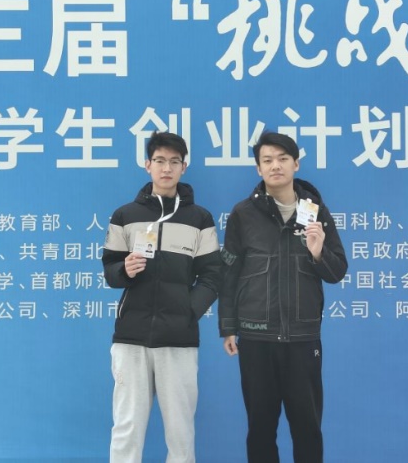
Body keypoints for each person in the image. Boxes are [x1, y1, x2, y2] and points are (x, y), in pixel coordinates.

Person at [218, 131, 348, 463]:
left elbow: (337, 272)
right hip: (256, 337)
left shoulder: (316, 212)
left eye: (282, 159)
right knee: (260, 429)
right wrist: (228, 326)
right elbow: (229, 273)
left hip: (303, 339)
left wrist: (318, 253)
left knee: (308, 428)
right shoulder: (243, 214)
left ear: (296, 164)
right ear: (258, 169)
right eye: (267, 160)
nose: (275, 165)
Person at [103, 131, 222, 463]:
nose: (166, 168)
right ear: (147, 165)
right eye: (159, 161)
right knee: (127, 427)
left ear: (184, 167)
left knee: (180, 431)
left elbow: (213, 275)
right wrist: (124, 269)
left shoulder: (200, 219)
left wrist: (187, 311)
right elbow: (110, 270)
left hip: (178, 339)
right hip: (131, 337)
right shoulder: (124, 216)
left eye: (174, 162)